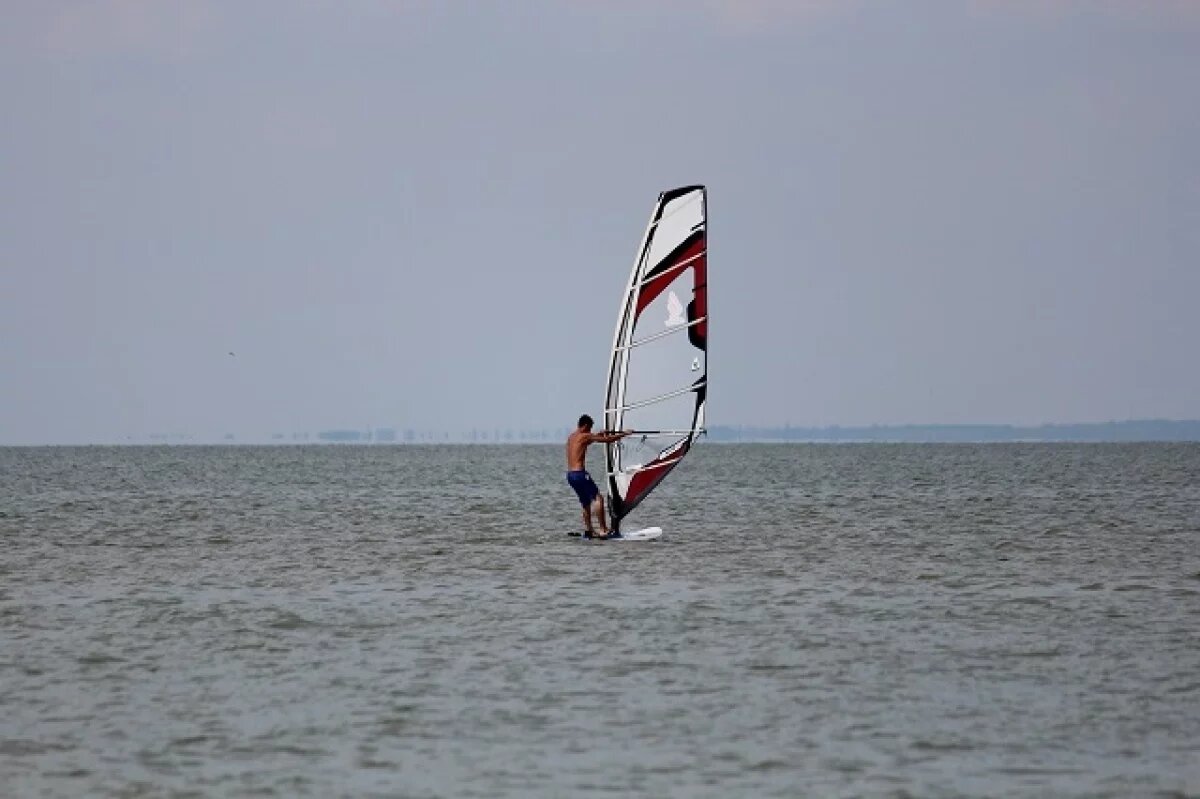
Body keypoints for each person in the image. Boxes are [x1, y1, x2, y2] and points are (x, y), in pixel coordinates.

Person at [565, 414, 630, 539]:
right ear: (584, 426)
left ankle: (589, 531)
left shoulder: (572, 437)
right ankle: (603, 529)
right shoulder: (585, 435)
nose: (590, 431)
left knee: (585, 503)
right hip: (580, 474)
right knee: (598, 498)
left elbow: (586, 441)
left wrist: (598, 434)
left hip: (571, 475)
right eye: (589, 428)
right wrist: (624, 434)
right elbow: (608, 440)